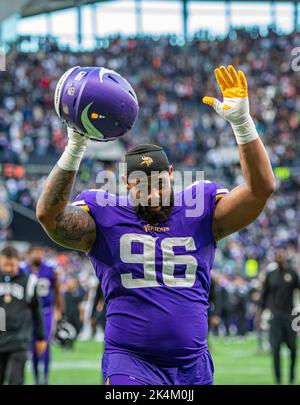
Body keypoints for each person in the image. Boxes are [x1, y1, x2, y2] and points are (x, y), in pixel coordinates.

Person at [36, 65, 275, 385]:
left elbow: (261, 190)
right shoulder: (105, 212)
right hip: (129, 363)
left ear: (172, 174)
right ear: (125, 183)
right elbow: (49, 216)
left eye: (158, 182)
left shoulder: (199, 207)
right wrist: (75, 147)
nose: (151, 192)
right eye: (140, 184)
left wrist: (242, 125)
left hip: (193, 366)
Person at [0, 246, 46, 385]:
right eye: (5, 265)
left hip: (19, 340)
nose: (8, 268)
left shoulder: (29, 281)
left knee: (16, 380)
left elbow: (37, 311)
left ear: (18, 262)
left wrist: (40, 337)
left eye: (11, 265)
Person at [259, 249, 300, 384]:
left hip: (290, 316)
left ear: (286, 257)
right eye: (277, 255)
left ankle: (292, 375)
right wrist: (260, 314)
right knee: (275, 350)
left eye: (282, 255)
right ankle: (278, 380)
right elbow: (264, 296)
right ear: (275, 258)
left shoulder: (293, 274)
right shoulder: (271, 275)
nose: (280, 257)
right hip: (275, 317)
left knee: (293, 348)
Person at [24, 246, 62, 385]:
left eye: (40, 252)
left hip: (46, 312)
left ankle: (45, 378)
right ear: (30, 254)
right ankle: (36, 379)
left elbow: (57, 291)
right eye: (35, 252)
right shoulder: (24, 270)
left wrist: (58, 309)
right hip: (29, 313)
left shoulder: (50, 270)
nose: (38, 255)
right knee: (33, 347)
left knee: (45, 344)